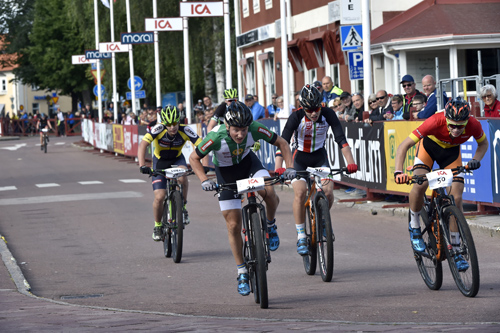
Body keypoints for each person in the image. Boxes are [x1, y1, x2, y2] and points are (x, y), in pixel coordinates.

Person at [189, 101, 295, 296]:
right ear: (227, 127)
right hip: (226, 173)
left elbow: (282, 143)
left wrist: (289, 167)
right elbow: (193, 158)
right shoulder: (216, 136)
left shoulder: (255, 128)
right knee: (233, 225)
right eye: (236, 130)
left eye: (244, 130)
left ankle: (270, 225)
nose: (240, 134)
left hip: (248, 164)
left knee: (269, 192)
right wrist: (204, 180)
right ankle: (242, 271)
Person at [393, 98, 488, 269]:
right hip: (428, 149)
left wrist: (476, 160)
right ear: (446, 119)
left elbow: (483, 144)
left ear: (467, 121)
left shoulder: (473, 124)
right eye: (452, 125)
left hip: (451, 154)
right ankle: (414, 225)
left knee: (456, 197)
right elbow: (403, 146)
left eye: (460, 126)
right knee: (420, 184)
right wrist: (398, 171)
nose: (456, 129)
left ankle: (457, 250)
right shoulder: (434, 121)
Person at [280, 84, 357, 256]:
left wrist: (351, 162)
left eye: (316, 108)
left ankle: (322, 221)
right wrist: (280, 167)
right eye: (309, 109)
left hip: (320, 157)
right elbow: (282, 142)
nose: (314, 113)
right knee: (300, 193)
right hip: (299, 158)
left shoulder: (328, 113)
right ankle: (301, 235)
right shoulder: (296, 116)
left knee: (328, 192)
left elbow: (341, 139)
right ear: (302, 107)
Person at [138, 105, 202, 241]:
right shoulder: (158, 129)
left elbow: (201, 145)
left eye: (175, 123)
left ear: (179, 121)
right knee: (160, 197)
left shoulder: (185, 130)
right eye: (169, 124)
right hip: (160, 161)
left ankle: (183, 207)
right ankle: (158, 225)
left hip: (177, 159)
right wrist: (142, 165)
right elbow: (143, 144)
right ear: (164, 123)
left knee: (183, 176)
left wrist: (206, 165)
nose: (172, 127)